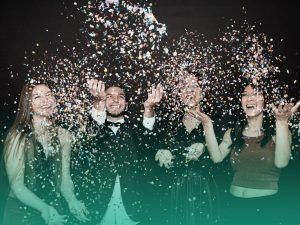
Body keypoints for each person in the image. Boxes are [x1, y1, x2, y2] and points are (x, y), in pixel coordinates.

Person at [189, 81, 300, 225]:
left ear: (266, 102)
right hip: (233, 206)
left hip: (266, 208)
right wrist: (207, 125)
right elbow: (216, 157)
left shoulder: (278, 133)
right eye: (245, 94)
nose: (250, 98)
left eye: (256, 94)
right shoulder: (234, 133)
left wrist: (281, 123)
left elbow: (282, 162)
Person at [76, 79, 163, 225]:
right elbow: (90, 136)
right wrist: (99, 102)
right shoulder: (90, 129)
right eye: (109, 96)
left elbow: (149, 133)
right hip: (98, 209)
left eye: (120, 96)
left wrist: (148, 108)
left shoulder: (137, 131)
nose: (115, 99)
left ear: (127, 105)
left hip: (134, 211)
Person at [2, 83, 89, 225]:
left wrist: (72, 200)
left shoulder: (64, 136)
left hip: (53, 206)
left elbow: (64, 179)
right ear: (28, 104)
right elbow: (16, 186)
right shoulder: (17, 137)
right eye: (37, 96)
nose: (46, 100)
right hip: (20, 211)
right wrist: (44, 209)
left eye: (49, 95)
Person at [155, 74, 219, 225]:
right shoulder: (167, 122)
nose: (189, 91)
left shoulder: (216, 119)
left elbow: (223, 157)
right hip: (173, 193)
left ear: (202, 91)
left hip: (206, 191)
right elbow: (149, 148)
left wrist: (206, 147)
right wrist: (158, 153)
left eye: (194, 86)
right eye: (184, 87)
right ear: (179, 93)